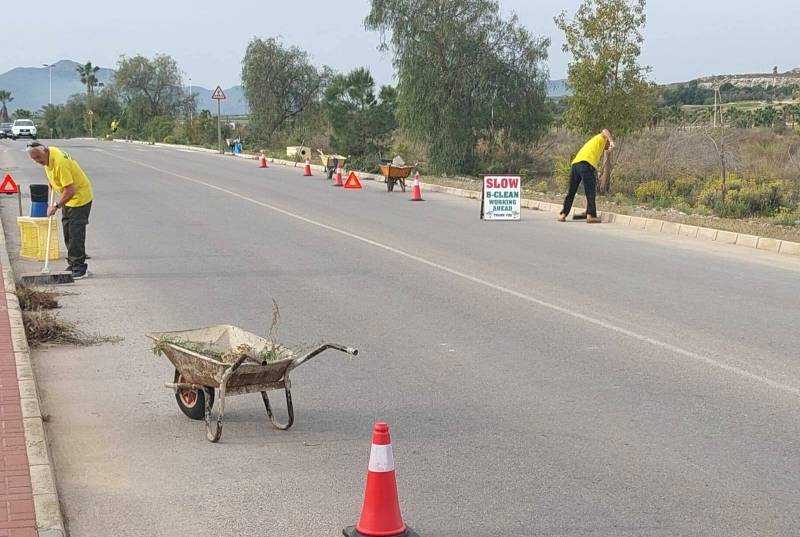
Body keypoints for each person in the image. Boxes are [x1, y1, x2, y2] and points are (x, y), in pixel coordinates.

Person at [26, 142, 93, 279]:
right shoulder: (48, 157)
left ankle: (80, 267)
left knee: (75, 233)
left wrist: (56, 206)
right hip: (68, 199)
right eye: (35, 159)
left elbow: (70, 191)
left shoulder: (60, 162)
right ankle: (73, 262)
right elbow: (54, 176)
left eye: (39, 157)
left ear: (44, 151)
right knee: (67, 231)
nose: (39, 161)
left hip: (79, 198)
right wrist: (53, 183)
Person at [559, 129, 615, 224]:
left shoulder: (596, 143)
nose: (608, 146)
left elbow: (605, 150)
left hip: (575, 164)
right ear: (607, 140)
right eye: (608, 144)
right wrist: (611, 141)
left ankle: (563, 214)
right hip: (586, 164)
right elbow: (605, 130)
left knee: (571, 191)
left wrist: (609, 148)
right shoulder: (601, 138)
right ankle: (591, 216)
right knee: (590, 191)